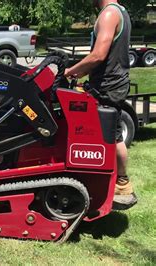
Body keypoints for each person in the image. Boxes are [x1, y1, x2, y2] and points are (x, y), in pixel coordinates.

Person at [64, 0, 137, 210]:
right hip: (115, 83)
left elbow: (98, 55)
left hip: (107, 86)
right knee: (112, 134)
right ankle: (121, 182)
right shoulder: (121, 11)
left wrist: (71, 71)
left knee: (110, 135)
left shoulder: (108, 14)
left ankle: (120, 183)